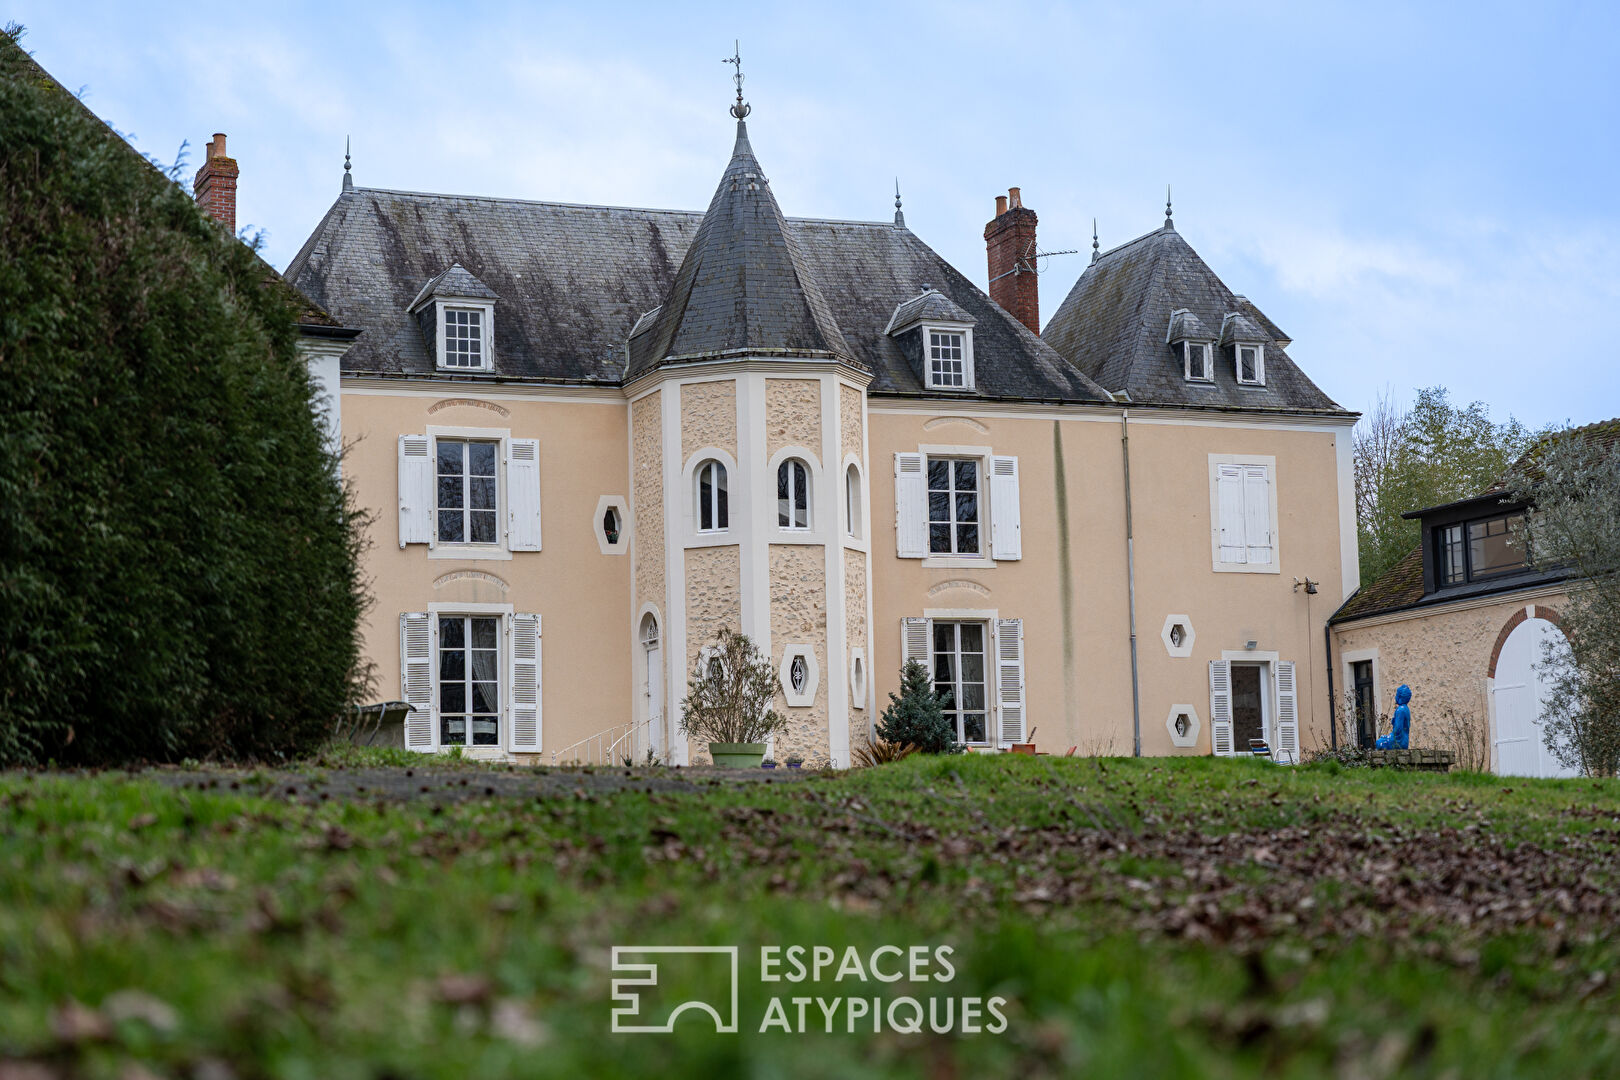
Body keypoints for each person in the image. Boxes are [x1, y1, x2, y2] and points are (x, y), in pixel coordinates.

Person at [1376, 685, 1411, 750]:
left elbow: (1397, 730)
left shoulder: (1400, 710)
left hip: (1399, 741)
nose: (1395, 697)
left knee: (1379, 742)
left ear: (1400, 697)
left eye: (1397, 695)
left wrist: (1388, 737)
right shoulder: (1406, 709)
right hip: (1405, 741)